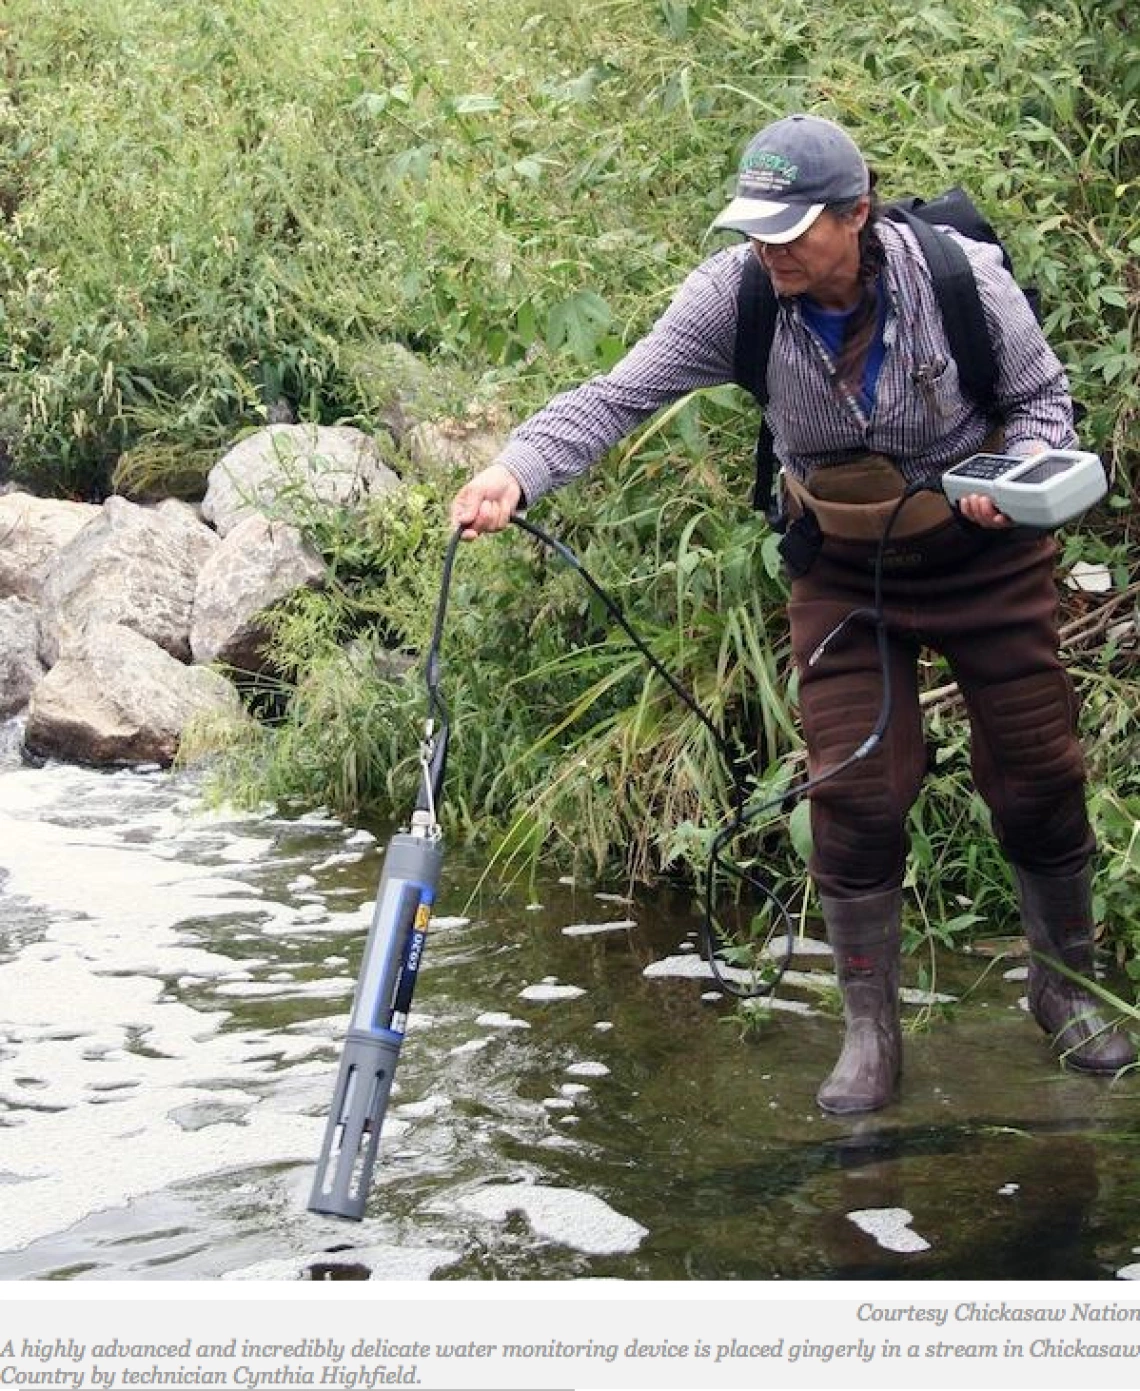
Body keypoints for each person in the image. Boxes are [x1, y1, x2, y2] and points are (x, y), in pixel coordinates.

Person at [449, 112, 1135, 1113]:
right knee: (853, 797)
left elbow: (1044, 403)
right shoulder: (735, 300)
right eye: (754, 227)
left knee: (1037, 775)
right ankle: (871, 1033)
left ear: (855, 215)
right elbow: (611, 397)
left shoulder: (959, 281)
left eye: (788, 229)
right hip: (846, 577)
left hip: (988, 562)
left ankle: (1062, 988)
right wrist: (512, 472)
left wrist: (1018, 474)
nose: (766, 248)